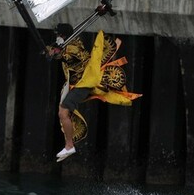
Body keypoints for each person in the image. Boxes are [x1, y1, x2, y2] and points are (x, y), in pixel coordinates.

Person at [48, 23, 140, 161]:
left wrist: (54, 53)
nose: (57, 37)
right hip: (76, 84)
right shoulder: (67, 43)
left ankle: (69, 146)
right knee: (63, 113)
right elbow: (56, 50)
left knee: (63, 112)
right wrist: (49, 50)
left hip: (84, 83)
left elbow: (64, 56)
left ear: (63, 35)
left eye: (58, 35)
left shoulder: (73, 47)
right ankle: (69, 145)